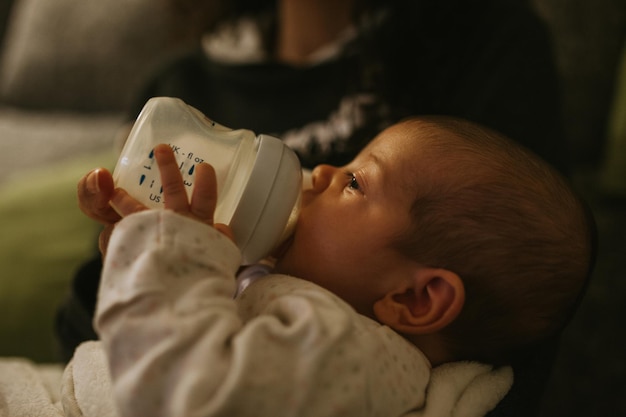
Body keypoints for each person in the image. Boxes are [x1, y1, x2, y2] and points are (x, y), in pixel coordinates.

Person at [32, 116, 590, 416]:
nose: (321, 171)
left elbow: (183, 393)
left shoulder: (351, 356)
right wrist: (142, 251)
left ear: (416, 300)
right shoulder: (301, 293)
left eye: (355, 181)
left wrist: (169, 259)